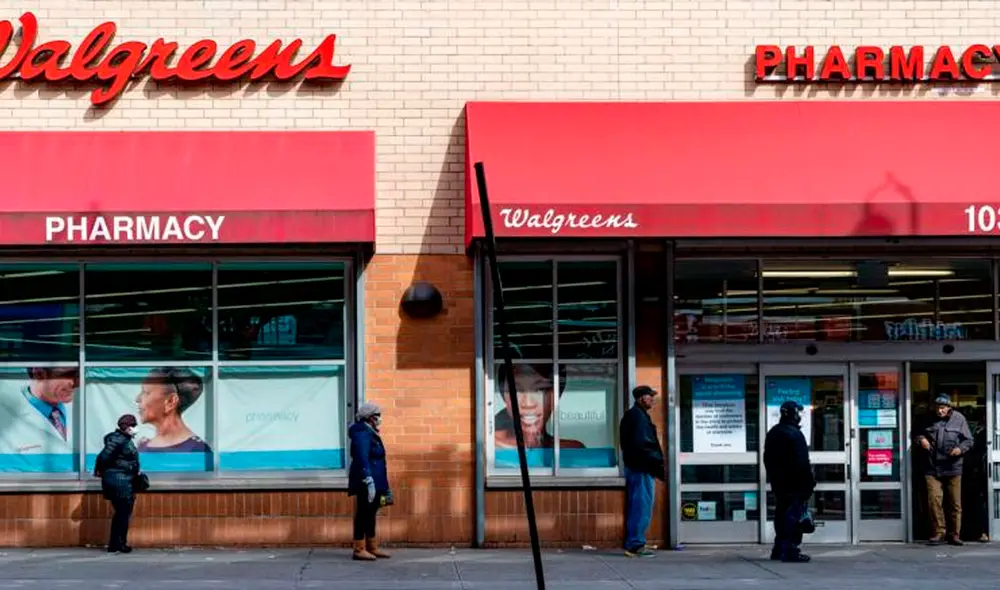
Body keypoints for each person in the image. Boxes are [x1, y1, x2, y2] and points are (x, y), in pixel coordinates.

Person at [914, 394, 973, 546]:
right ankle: (939, 532)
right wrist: (921, 439)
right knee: (934, 501)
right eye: (938, 408)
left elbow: (969, 440)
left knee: (955, 502)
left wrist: (960, 449)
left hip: (953, 466)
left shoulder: (959, 419)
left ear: (949, 408)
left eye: (943, 408)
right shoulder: (926, 418)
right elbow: (916, 433)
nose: (940, 411)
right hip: (931, 466)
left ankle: (955, 534)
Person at [763, 400, 815, 563]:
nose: (800, 416)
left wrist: (775, 477)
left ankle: (779, 548)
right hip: (795, 484)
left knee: (781, 514)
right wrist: (808, 484)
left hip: (779, 483)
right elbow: (802, 463)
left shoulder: (773, 432)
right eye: (798, 413)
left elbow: (767, 459)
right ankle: (791, 549)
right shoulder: (794, 434)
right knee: (795, 516)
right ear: (791, 414)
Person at [618, 385, 665, 558]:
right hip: (641, 468)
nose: (652, 399)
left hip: (638, 467)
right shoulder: (637, 417)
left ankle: (635, 542)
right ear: (640, 398)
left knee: (638, 506)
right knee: (641, 507)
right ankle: (636, 545)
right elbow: (643, 446)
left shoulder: (636, 416)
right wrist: (656, 463)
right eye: (649, 396)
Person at [493, 363, 585, 451]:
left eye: (540, 389)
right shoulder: (489, 445)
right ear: (504, 396)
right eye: (515, 390)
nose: (528, 404)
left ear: (555, 396)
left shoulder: (571, 451)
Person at [0, 367, 79, 461]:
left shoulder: (89, 406)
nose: (77, 383)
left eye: (78, 375)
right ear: (39, 373)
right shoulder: (5, 415)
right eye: (69, 374)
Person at [348, 402, 391, 561]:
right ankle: (359, 549)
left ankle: (372, 546)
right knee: (363, 513)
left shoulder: (371, 431)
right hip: (367, 480)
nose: (380, 418)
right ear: (369, 418)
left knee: (371, 513)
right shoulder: (362, 433)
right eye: (377, 416)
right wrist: (368, 479)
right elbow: (362, 457)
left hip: (377, 479)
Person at [94, 414, 143, 554]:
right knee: (123, 513)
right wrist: (101, 470)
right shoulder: (118, 440)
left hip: (122, 480)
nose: (135, 428)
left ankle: (117, 543)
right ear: (127, 427)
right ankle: (118, 544)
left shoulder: (122, 439)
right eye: (133, 425)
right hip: (119, 481)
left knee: (121, 513)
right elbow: (103, 456)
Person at [135, 367, 210, 453]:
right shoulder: (142, 447)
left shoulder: (198, 451)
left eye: (146, 392)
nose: (137, 399)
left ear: (171, 401)